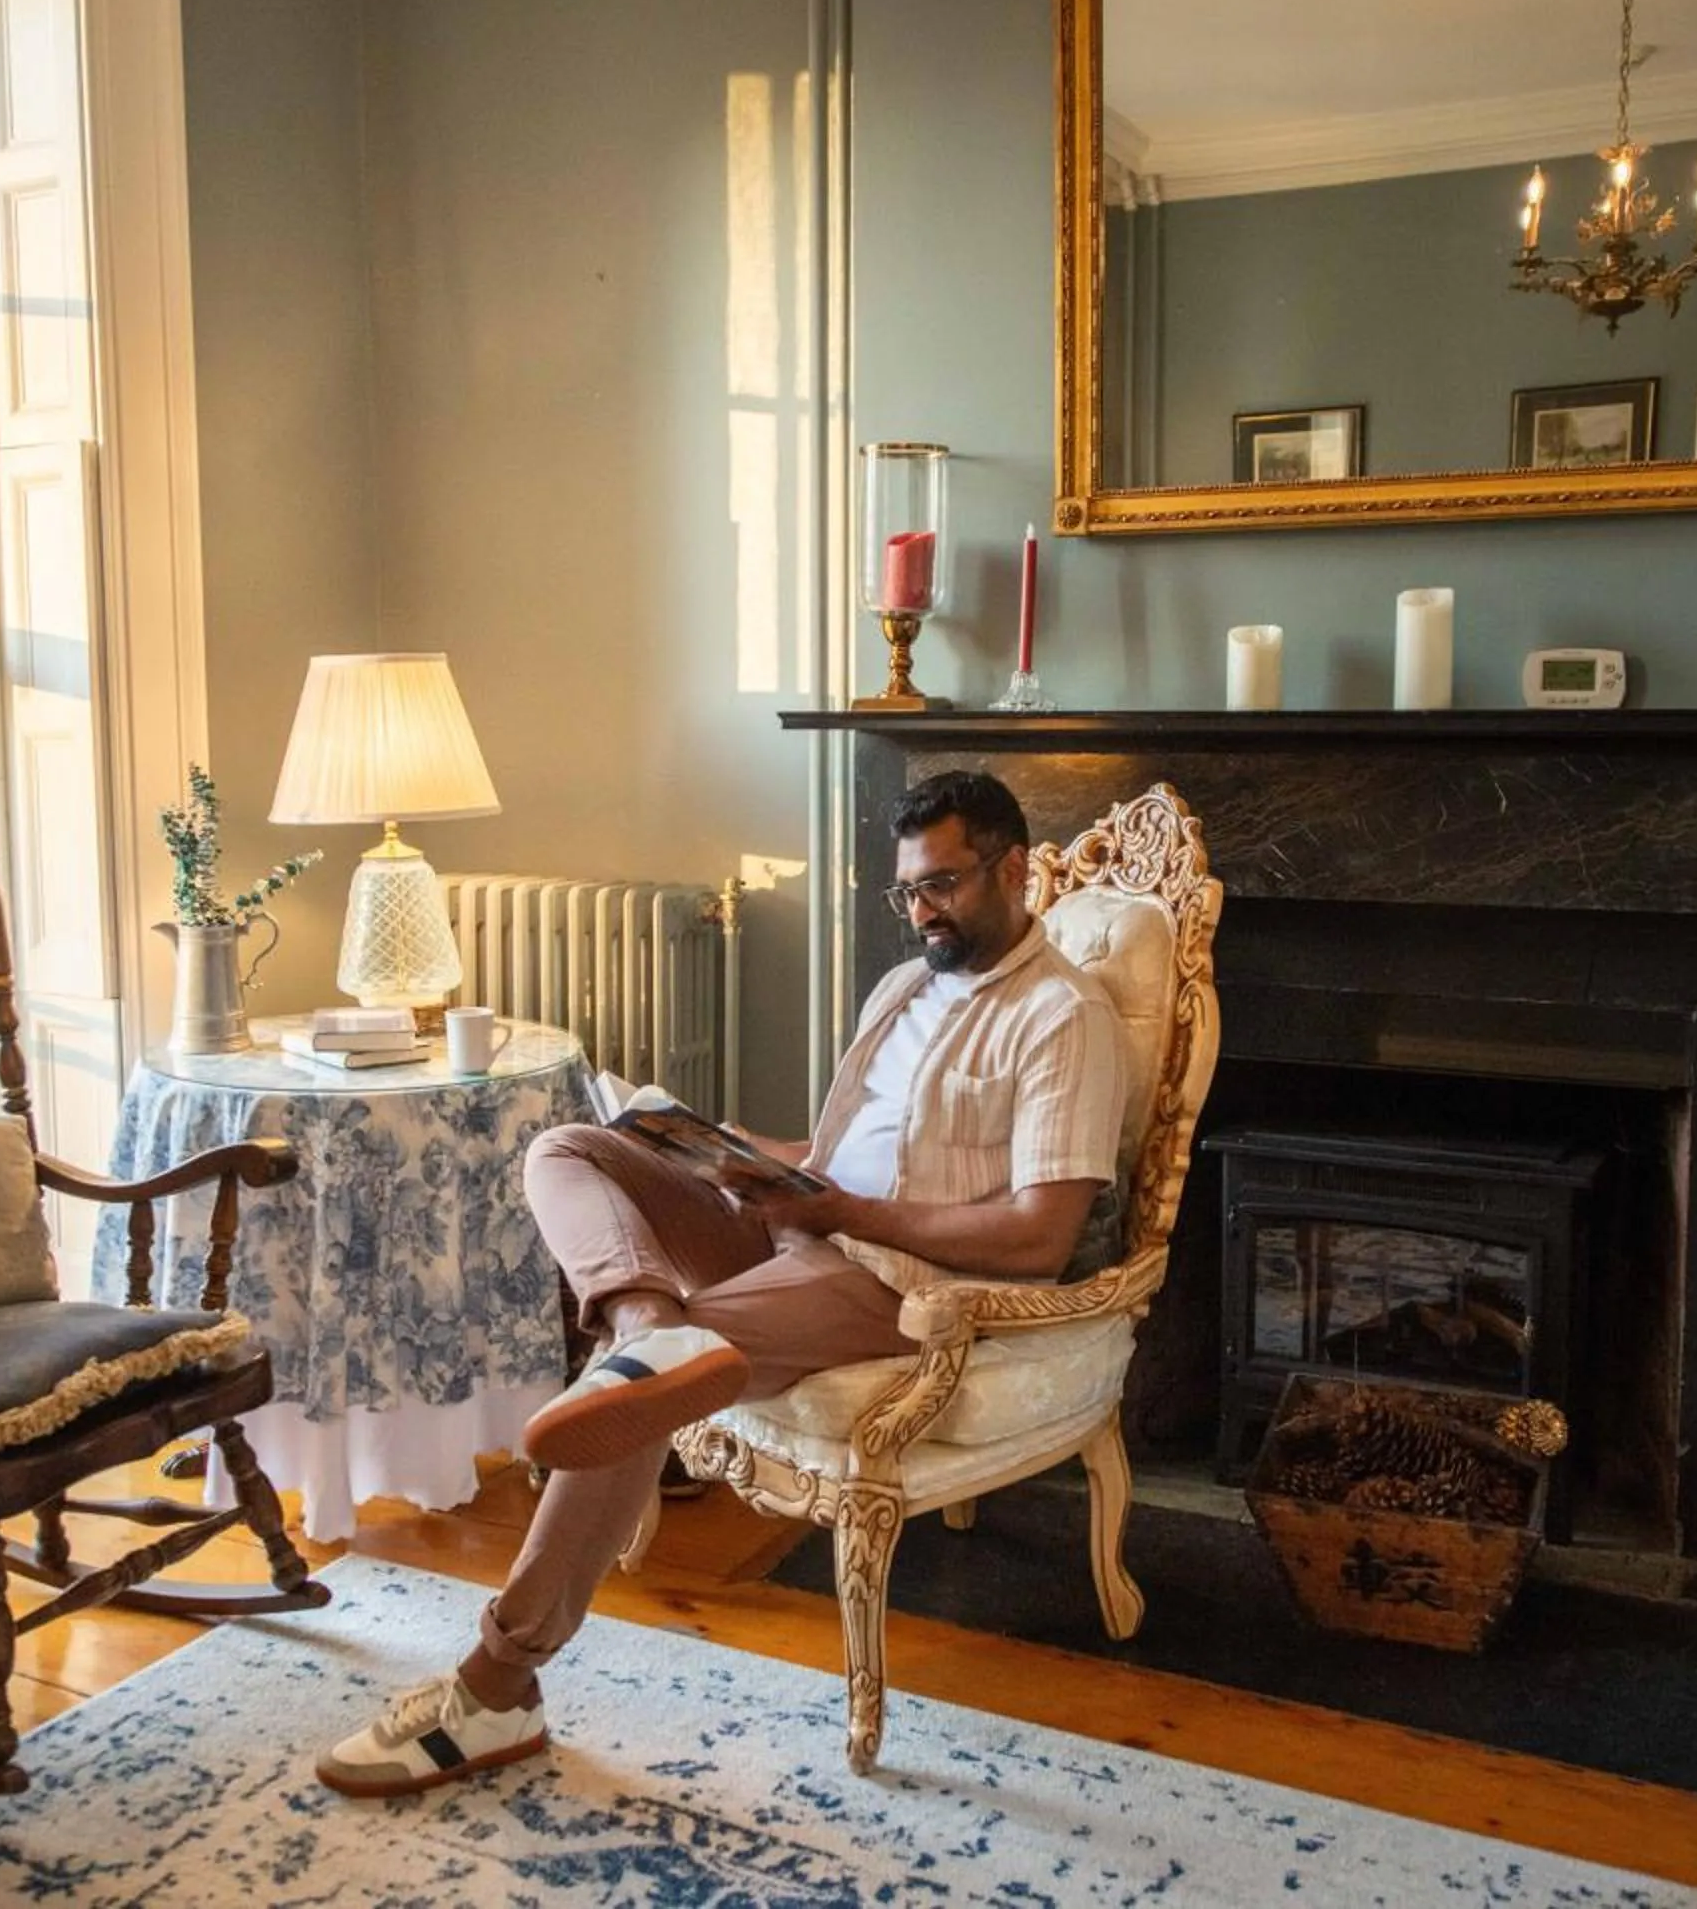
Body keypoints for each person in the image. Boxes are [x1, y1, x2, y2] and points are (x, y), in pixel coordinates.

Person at [314, 769, 1126, 1796]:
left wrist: (840, 1213)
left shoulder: (1063, 1016)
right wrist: (736, 1153)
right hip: (804, 1222)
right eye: (908, 890)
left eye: (944, 885)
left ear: (1014, 871)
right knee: (571, 1147)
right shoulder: (905, 988)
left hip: (893, 1283)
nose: (922, 910)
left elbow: (1038, 1238)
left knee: (633, 1390)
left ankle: (497, 1683)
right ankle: (651, 1326)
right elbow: (842, 1156)